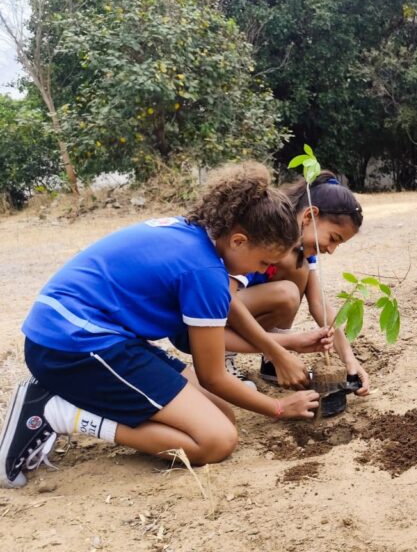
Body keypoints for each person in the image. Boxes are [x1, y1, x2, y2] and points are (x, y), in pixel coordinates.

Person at [2, 163, 320, 489]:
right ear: (239, 241)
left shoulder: (196, 235)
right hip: (72, 346)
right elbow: (213, 376)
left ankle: (69, 401)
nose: (262, 270)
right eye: (264, 262)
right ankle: (58, 412)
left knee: (222, 413)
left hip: (99, 335)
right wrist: (278, 407)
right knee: (217, 440)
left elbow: (213, 330)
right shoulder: (205, 272)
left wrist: (286, 344)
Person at [222, 171, 371, 394]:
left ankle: (271, 361)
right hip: (210, 317)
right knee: (288, 284)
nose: (330, 250)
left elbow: (319, 305)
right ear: (310, 216)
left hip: (238, 310)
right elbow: (224, 300)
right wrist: (286, 345)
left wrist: (350, 361)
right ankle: (222, 358)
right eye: (333, 239)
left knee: (295, 274)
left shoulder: (301, 249)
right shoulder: (263, 235)